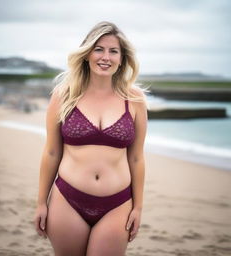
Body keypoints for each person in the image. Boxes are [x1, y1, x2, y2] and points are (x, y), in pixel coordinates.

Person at [34, 21, 148, 256]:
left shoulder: (134, 99)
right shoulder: (64, 95)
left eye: (113, 51)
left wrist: (138, 207)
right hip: (67, 200)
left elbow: (136, 158)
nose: (105, 57)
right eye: (99, 49)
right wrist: (41, 202)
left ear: (122, 58)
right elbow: (52, 152)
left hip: (117, 204)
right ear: (86, 54)